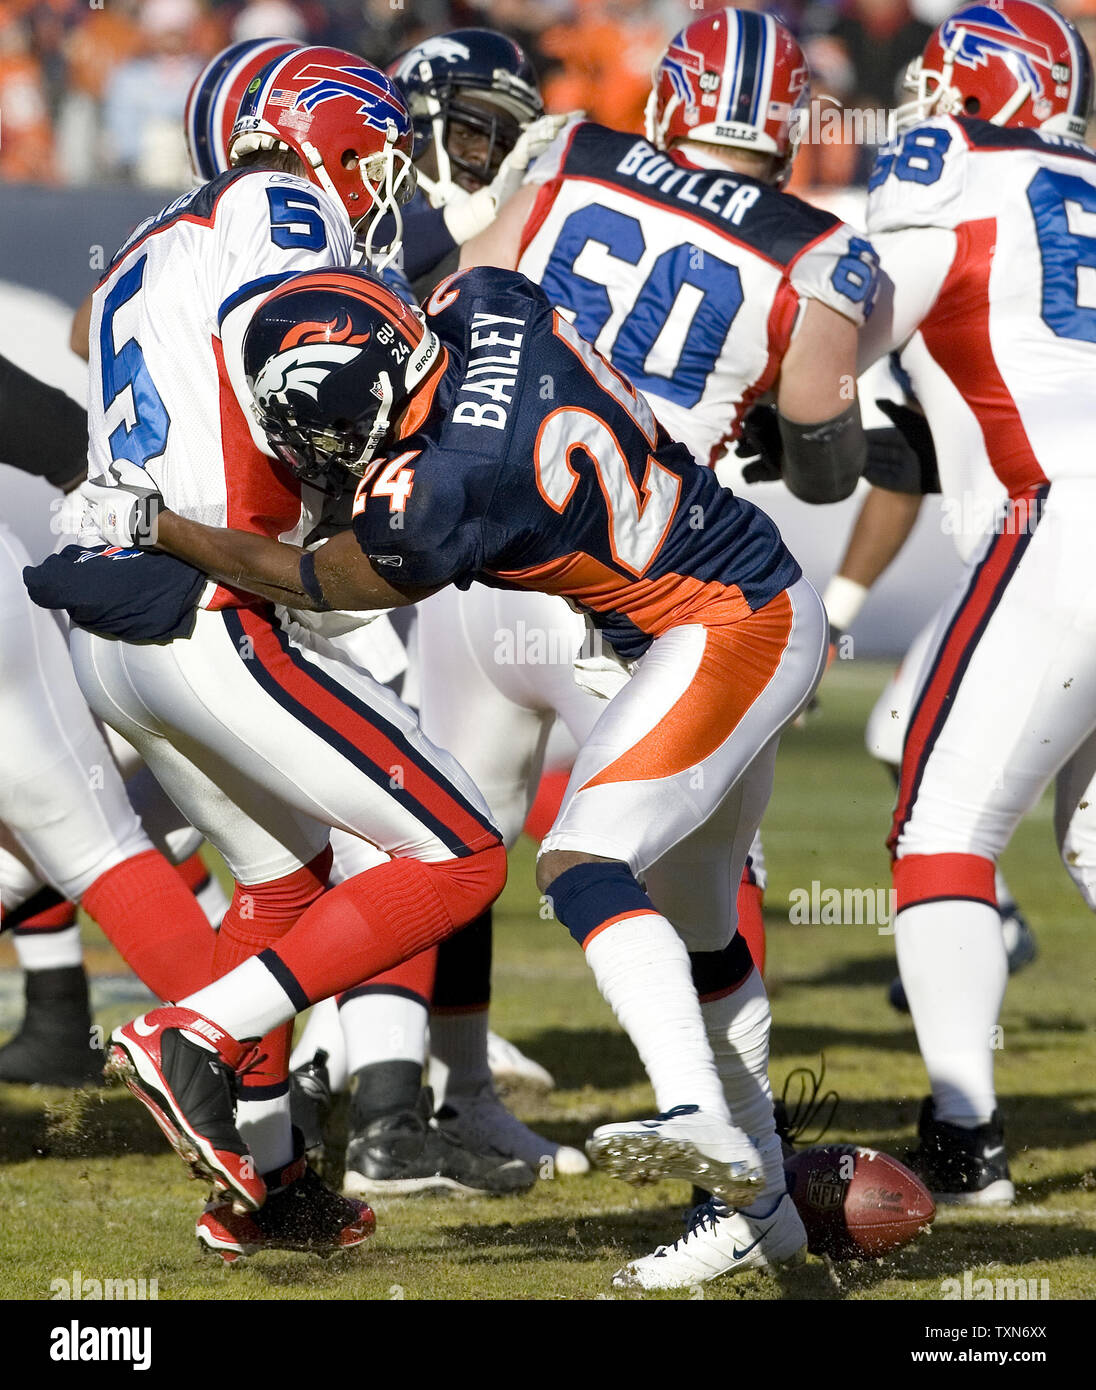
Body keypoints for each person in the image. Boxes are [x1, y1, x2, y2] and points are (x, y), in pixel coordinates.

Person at [75, 253, 843, 1290]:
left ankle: (694, 1111)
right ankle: (758, 1211)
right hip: (717, 591)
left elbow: (307, 576)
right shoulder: (485, 303)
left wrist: (153, 525)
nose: (321, 455)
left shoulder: (438, 488)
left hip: (724, 622)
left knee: (580, 860)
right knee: (702, 933)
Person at [28, 45, 517, 1259]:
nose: (386, 175)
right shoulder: (280, 201)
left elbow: (122, 335)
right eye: (375, 146)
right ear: (319, 132)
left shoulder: (155, 242)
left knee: (284, 888)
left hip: (123, 626)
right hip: (207, 608)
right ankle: (190, 1030)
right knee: (460, 853)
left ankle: (273, 1185)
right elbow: (298, 356)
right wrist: (397, 418)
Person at [856, 0, 1096, 1204]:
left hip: (1059, 511)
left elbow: (845, 313)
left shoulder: (945, 162)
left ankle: (965, 1137)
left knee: (939, 824)